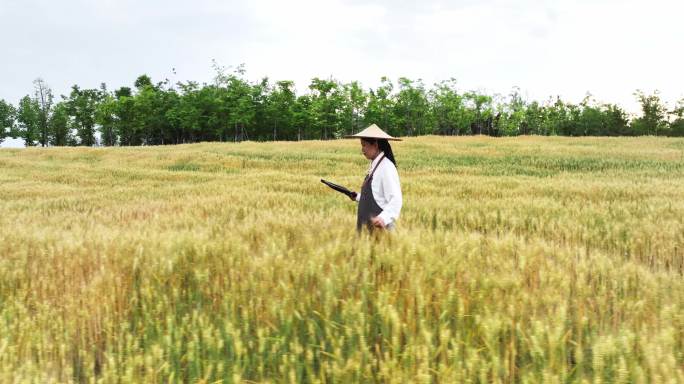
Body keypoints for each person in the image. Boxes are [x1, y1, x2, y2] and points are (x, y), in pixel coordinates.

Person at [345, 124, 403, 233]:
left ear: (375, 144)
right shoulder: (376, 165)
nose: (362, 149)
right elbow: (378, 196)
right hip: (369, 233)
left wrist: (383, 218)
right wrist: (358, 197)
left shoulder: (386, 167)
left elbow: (396, 199)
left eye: (364, 145)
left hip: (381, 233)